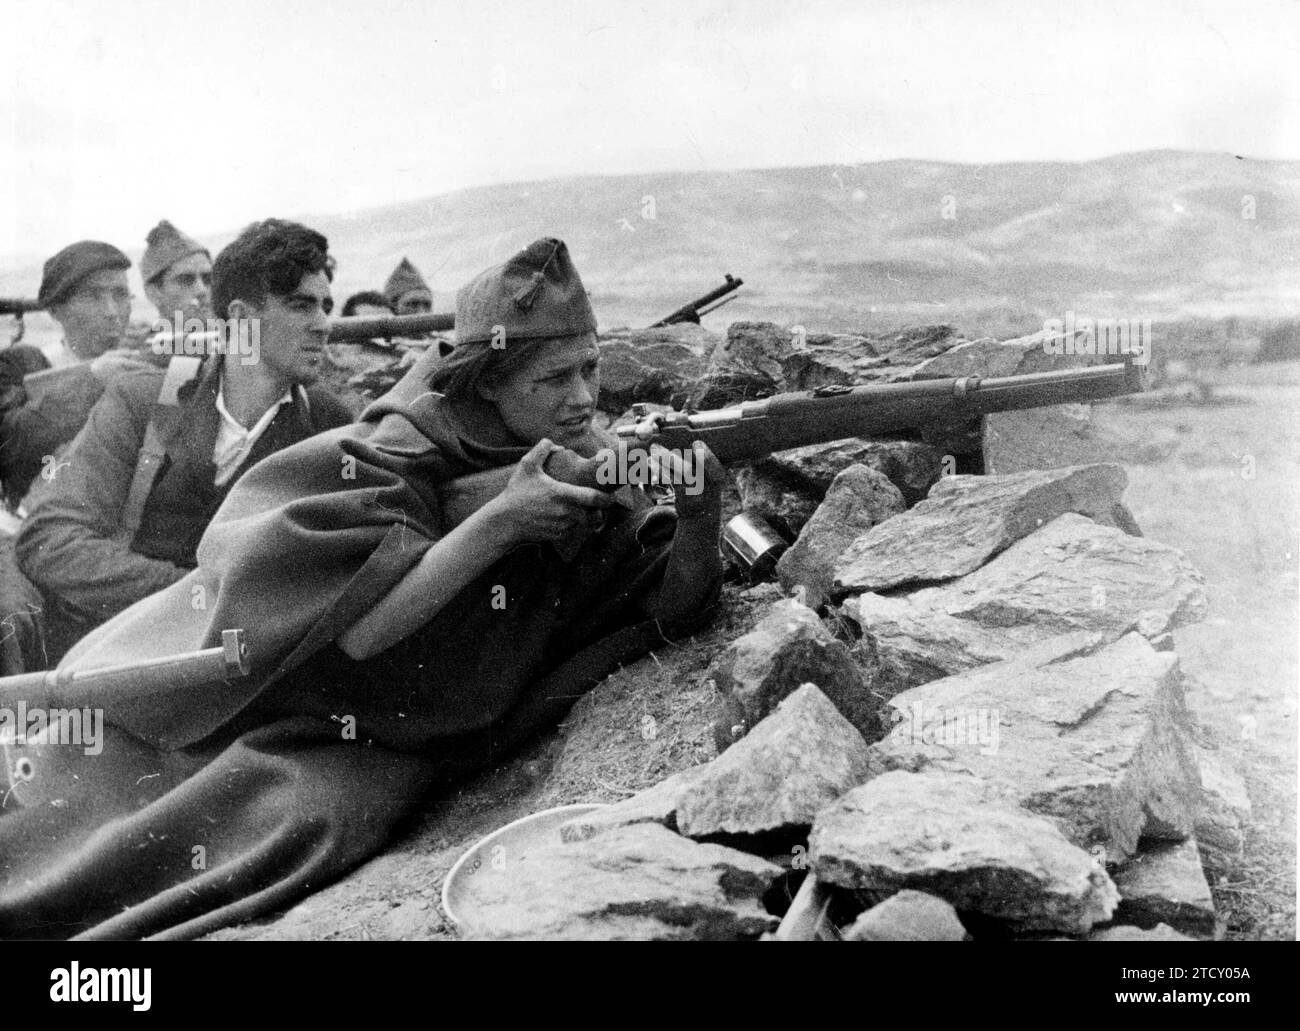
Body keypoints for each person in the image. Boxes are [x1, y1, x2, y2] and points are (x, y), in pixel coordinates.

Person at [0, 237, 723, 940]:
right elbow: (363, 630)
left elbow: (671, 606)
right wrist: (501, 523)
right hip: (278, 689)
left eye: (590, 370)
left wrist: (699, 511)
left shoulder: (582, 457)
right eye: (554, 379)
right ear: (487, 381)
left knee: (323, 814)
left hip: (393, 728)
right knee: (128, 813)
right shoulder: (391, 444)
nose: (583, 397)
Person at [14, 219, 353, 663]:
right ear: (240, 317)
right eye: (301, 306)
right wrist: (195, 592)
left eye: (326, 306)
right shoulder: (144, 400)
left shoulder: (330, 425)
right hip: (110, 658)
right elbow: (50, 540)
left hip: (250, 670)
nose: (324, 325)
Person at [0, 241, 134, 509]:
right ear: (55, 310)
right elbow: (9, 442)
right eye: (92, 296)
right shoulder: (23, 364)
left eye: (120, 295)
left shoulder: (142, 357)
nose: (112, 311)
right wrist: (91, 381)